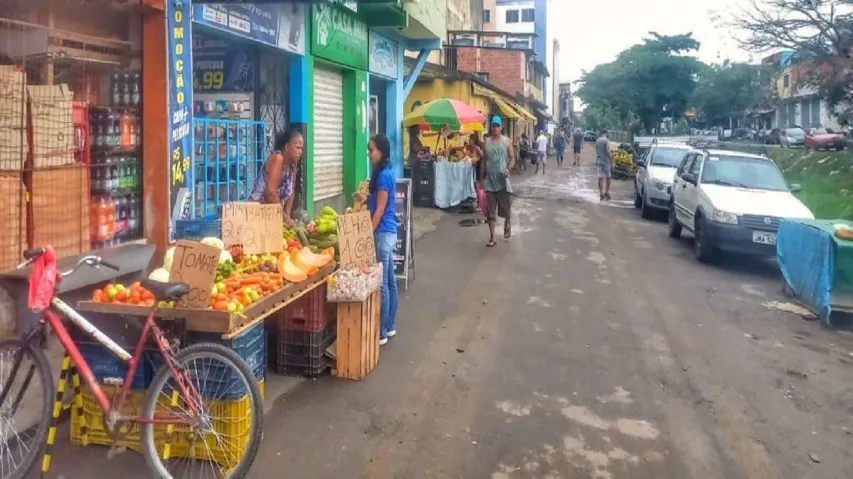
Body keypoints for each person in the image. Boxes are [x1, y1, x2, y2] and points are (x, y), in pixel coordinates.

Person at [354, 134, 398, 345]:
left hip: (382, 233)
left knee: (382, 284)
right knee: (389, 281)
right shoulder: (386, 173)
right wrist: (365, 199)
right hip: (388, 232)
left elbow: (380, 210)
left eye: (371, 150)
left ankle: (381, 332)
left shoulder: (383, 176)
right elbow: (378, 201)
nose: (369, 154)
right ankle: (389, 327)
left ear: (381, 151)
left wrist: (367, 233)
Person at [248, 128, 304, 225]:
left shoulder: (293, 165)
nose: (300, 152)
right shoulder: (278, 158)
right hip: (256, 215)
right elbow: (270, 193)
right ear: (287, 147)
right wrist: (284, 219)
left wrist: (287, 215)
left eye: (302, 149)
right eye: (297, 148)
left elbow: (292, 192)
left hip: (273, 216)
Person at [480, 116, 515, 247]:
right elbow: (484, 161)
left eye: (497, 125)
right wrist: (481, 179)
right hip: (490, 181)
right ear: (491, 127)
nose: (495, 128)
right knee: (490, 210)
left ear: (501, 127)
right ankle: (492, 237)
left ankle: (507, 222)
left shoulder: (507, 142)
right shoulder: (486, 142)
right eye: (493, 125)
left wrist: (508, 168)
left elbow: (512, 158)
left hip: (503, 181)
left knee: (506, 209)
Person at [595, 129, 614, 201]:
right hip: (606, 161)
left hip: (599, 160)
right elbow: (608, 151)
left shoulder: (597, 141)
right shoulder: (606, 140)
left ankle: (601, 193)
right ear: (605, 133)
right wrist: (612, 161)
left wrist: (597, 160)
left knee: (600, 177)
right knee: (608, 177)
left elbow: (597, 152)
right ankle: (606, 192)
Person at [468, 133, 485, 212]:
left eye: (471, 140)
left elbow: (482, 156)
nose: (470, 141)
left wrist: (477, 160)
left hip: (479, 168)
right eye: (469, 140)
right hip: (477, 167)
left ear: (474, 140)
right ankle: (479, 204)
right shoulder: (472, 148)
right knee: (476, 186)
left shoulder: (477, 148)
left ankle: (481, 205)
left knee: (478, 186)